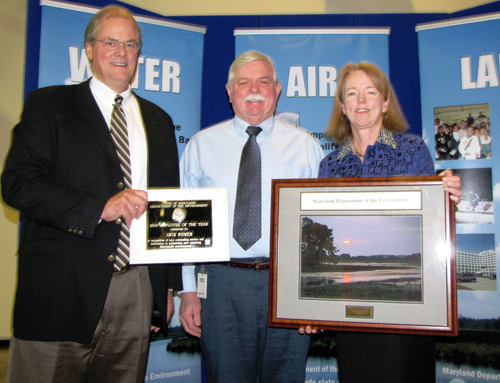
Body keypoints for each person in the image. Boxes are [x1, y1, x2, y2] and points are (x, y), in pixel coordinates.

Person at [1, 5, 181, 383]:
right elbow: (17, 184)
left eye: (131, 44)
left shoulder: (160, 121)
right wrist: (100, 207)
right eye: (111, 42)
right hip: (60, 289)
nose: (121, 52)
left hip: (136, 288)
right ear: (89, 48)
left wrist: (164, 289)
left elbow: (168, 207)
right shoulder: (48, 105)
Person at [179, 51, 324, 382]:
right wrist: (189, 290)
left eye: (263, 81)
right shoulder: (201, 146)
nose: (254, 89)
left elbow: (319, 225)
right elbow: (185, 228)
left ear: (278, 88)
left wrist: (314, 292)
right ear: (230, 91)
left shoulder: (306, 147)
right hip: (220, 284)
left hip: (287, 282)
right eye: (244, 82)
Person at [315, 62, 461, 383]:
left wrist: (445, 196)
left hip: (406, 315)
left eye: (371, 92)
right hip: (351, 314)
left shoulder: (412, 150)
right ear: (342, 106)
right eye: (352, 93)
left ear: (385, 102)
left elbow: (433, 224)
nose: (361, 100)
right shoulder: (329, 166)